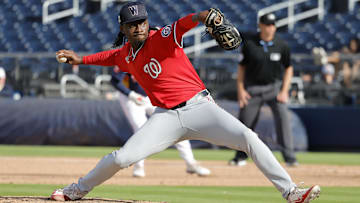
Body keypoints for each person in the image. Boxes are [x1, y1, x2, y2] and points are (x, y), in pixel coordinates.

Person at [51, 2, 320, 202]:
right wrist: (81, 59)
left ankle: (290, 192)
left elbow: (186, 21)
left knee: (249, 137)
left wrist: (206, 17)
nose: (139, 26)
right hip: (165, 117)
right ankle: (77, 190)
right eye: (133, 24)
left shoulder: (162, 37)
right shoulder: (126, 55)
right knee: (122, 158)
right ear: (123, 28)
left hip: (200, 108)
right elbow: (109, 57)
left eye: (143, 21)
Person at [109, 71, 210, 177]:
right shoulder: (128, 56)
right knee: (141, 130)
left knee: (176, 124)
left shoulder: (156, 57)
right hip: (131, 98)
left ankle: (191, 163)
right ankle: (139, 166)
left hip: (153, 96)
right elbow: (115, 80)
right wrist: (130, 94)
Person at [229, 13, 298, 167]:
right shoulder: (250, 44)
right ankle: (240, 157)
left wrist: (284, 90)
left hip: (274, 88)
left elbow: (289, 69)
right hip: (252, 89)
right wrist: (241, 90)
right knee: (245, 123)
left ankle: (290, 158)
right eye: (267, 24)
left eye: (272, 25)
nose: (270, 28)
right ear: (260, 25)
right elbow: (241, 69)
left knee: (283, 119)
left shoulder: (282, 45)